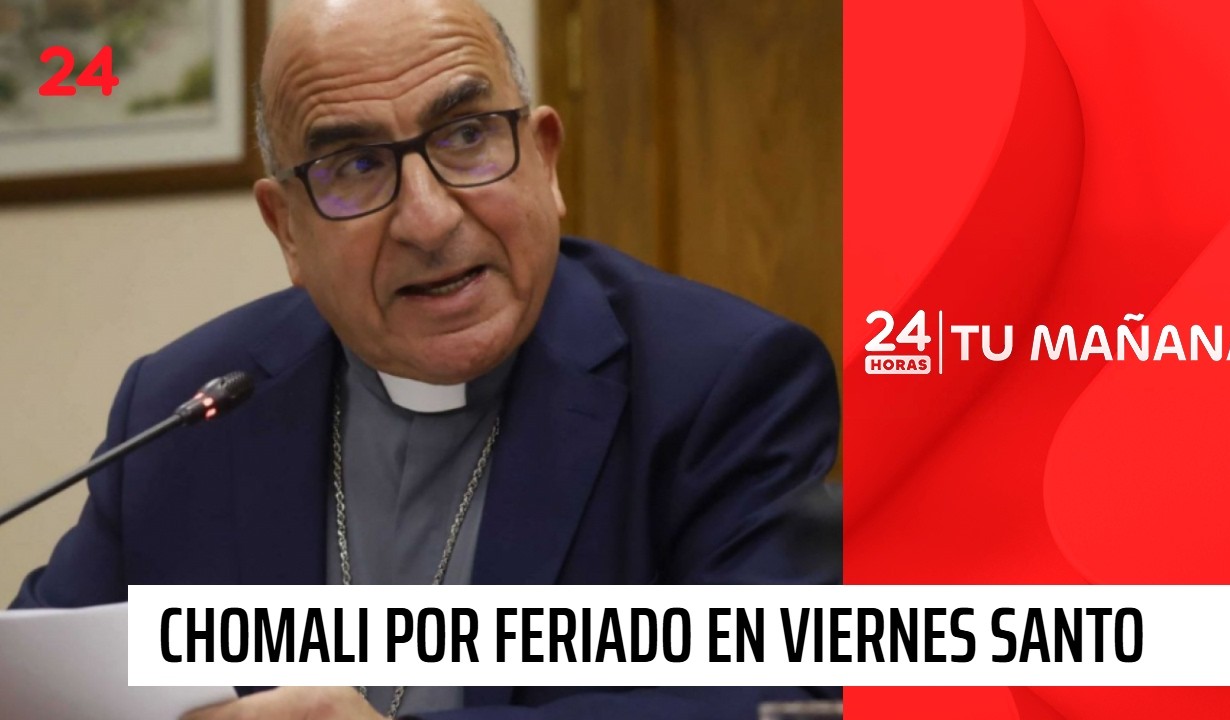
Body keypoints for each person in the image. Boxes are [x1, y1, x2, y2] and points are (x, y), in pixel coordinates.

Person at [11, 0, 841, 717]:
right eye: (354, 166)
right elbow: (39, 685)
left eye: (468, 135)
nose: (429, 218)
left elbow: (779, 695)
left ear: (546, 158)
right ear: (287, 228)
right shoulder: (188, 408)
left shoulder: (725, 382)